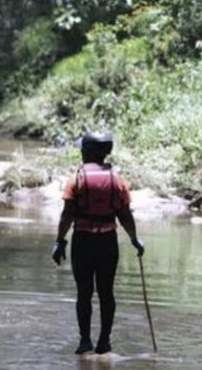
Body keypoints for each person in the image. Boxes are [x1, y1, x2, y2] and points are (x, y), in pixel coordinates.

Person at [51, 132, 144, 355]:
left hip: (82, 242)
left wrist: (60, 241)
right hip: (107, 243)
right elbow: (125, 215)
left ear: (86, 152)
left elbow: (67, 215)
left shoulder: (76, 179)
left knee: (84, 292)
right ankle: (104, 341)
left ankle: (85, 341)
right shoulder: (117, 179)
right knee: (106, 292)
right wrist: (134, 239)